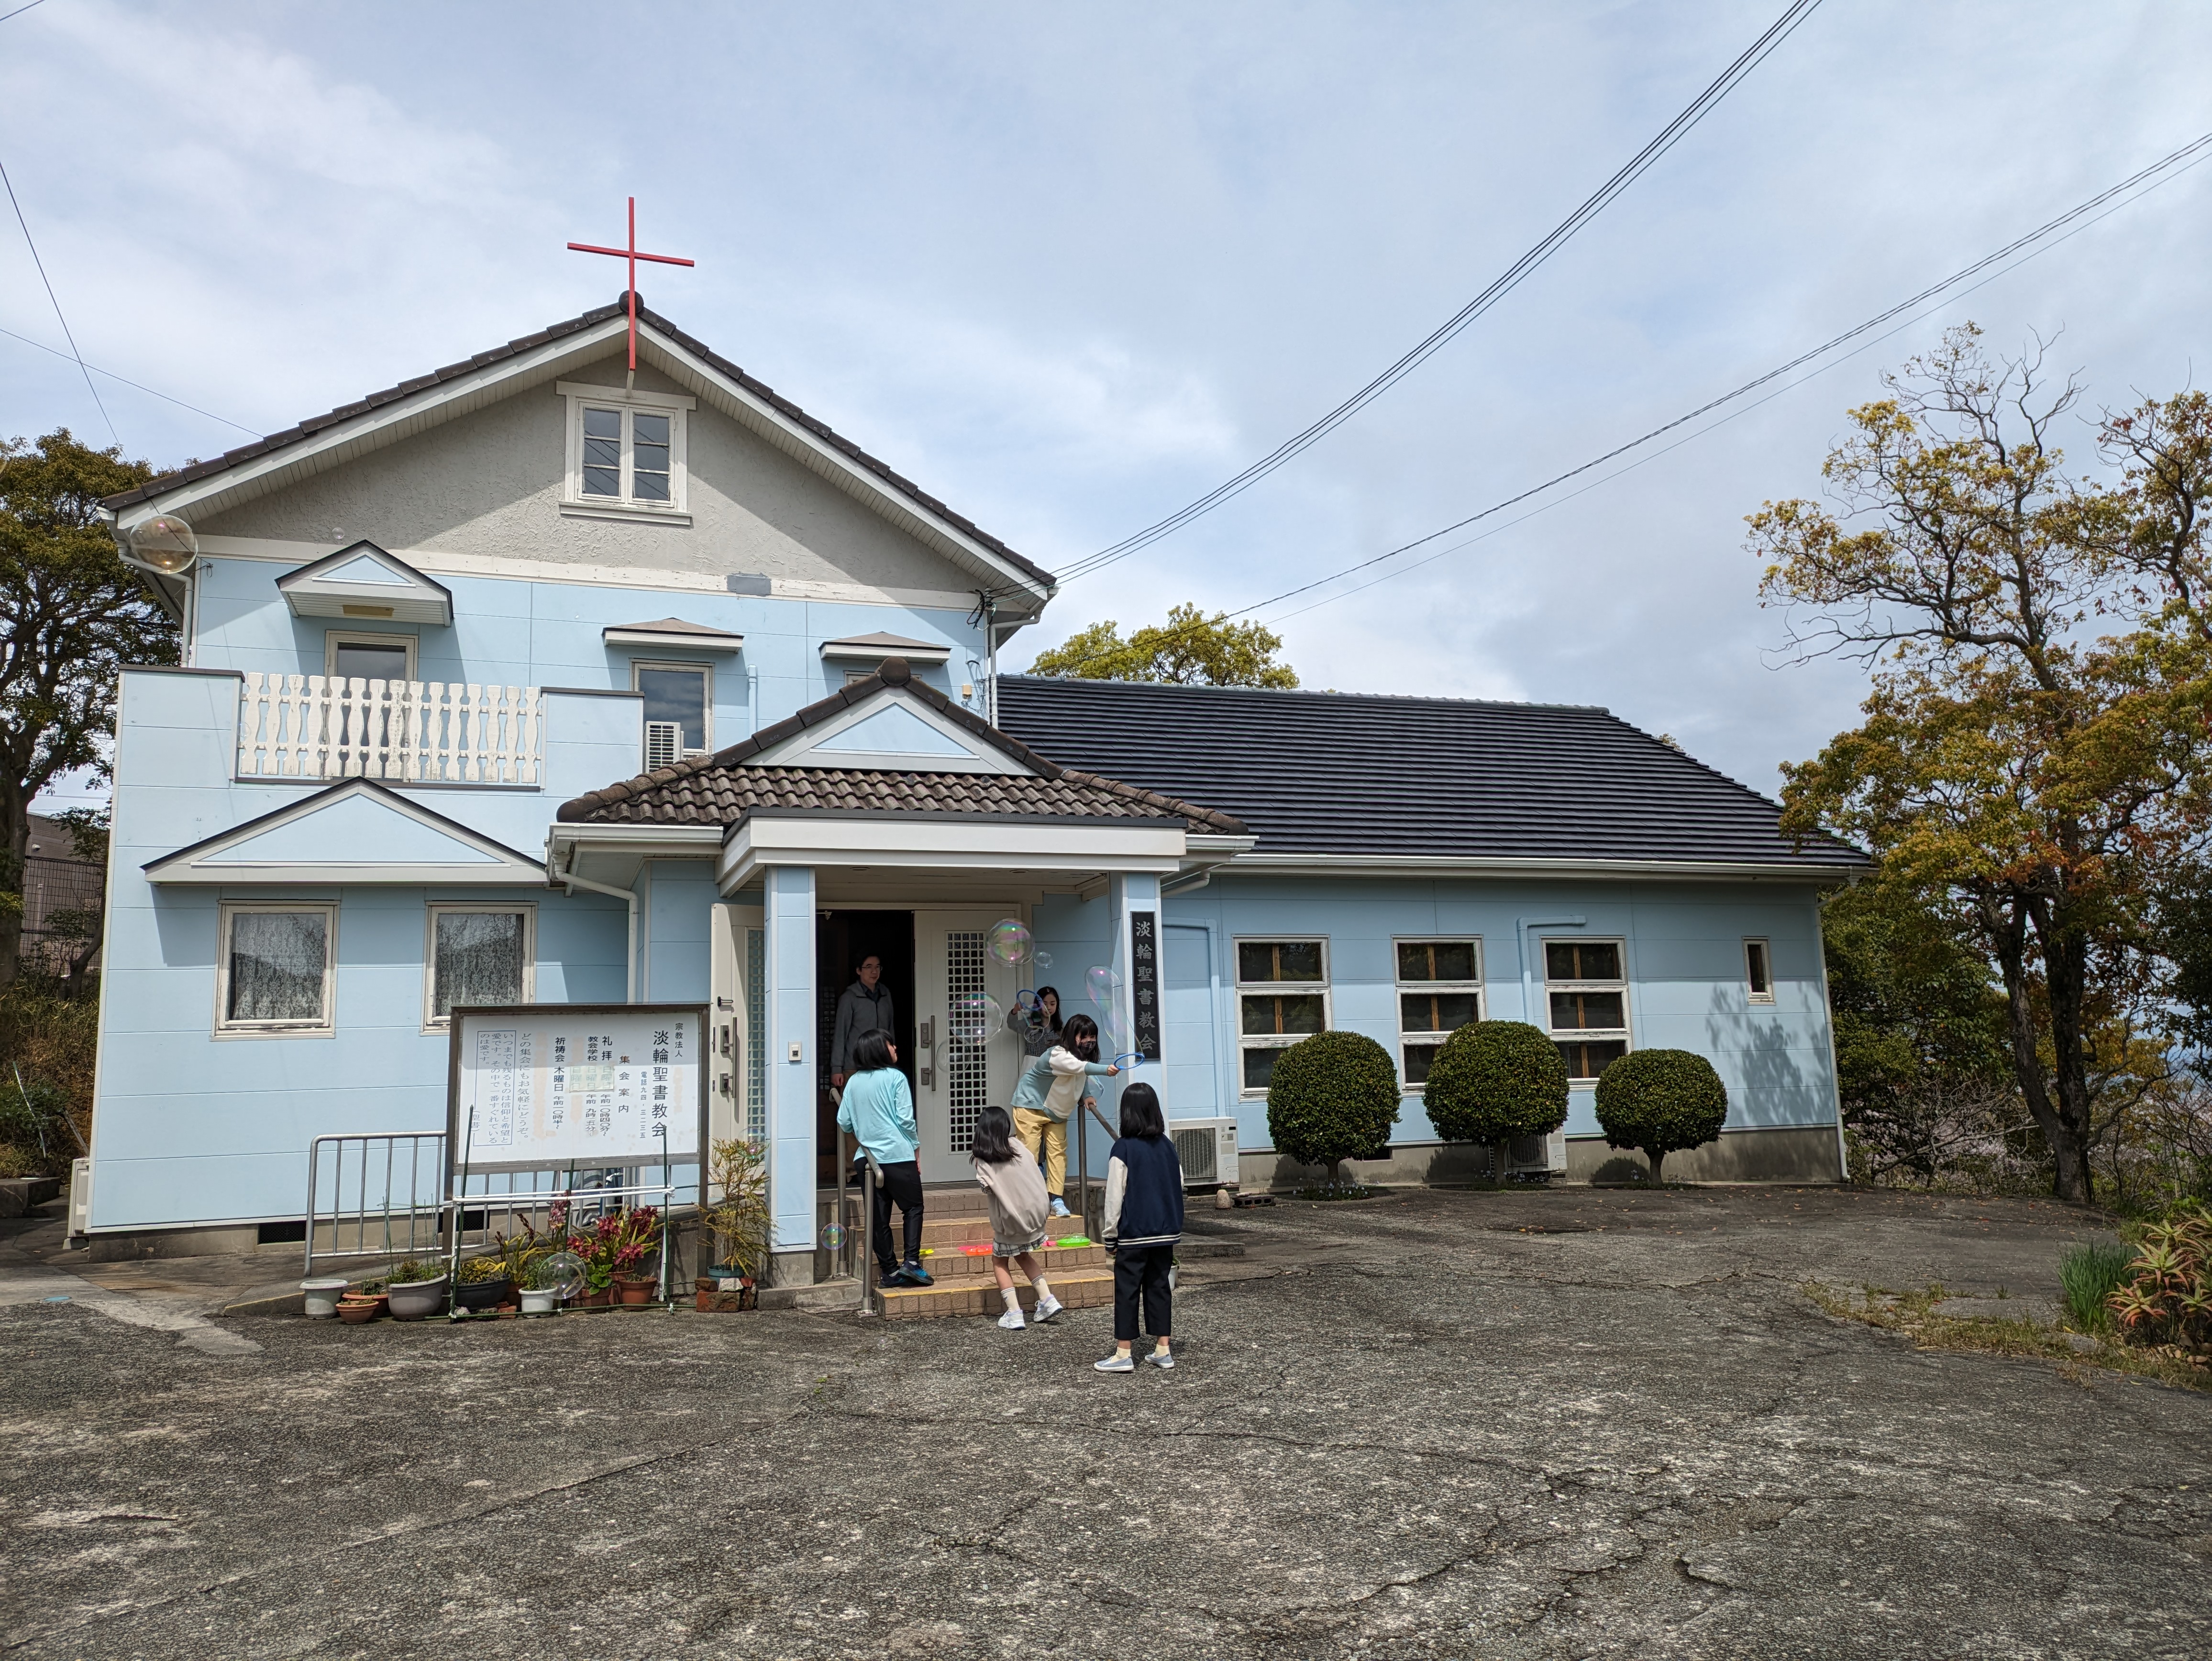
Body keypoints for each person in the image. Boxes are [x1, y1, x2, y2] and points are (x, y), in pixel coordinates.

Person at [834, 1029, 932, 1288]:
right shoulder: (895, 1078)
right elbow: (905, 1120)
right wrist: (916, 1147)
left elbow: (843, 1123)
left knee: (878, 1218)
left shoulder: (853, 1081)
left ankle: (889, 1272)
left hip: (867, 1159)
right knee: (913, 1208)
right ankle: (911, 1263)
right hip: (897, 1155)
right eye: (891, 1045)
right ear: (880, 1049)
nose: (896, 1049)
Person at [1095, 1082, 1182, 1373]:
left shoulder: (1123, 1148)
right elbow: (1178, 1185)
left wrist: (1110, 1236)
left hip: (1134, 1234)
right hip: (1165, 1231)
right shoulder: (1168, 1147)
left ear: (1127, 1113)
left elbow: (1114, 1198)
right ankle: (1163, 1349)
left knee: (1128, 1290)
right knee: (1160, 1287)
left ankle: (1123, 1353)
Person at [1010, 1012, 1118, 1218]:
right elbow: (1078, 1068)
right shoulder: (1057, 1054)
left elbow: (1080, 1075)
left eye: (1093, 1037)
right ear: (1071, 1035)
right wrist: (1106, 1070)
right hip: (1031, 1105)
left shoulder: (1080, 1059)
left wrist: (1086, 1096)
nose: (1089, 1042)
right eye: (1083, 1037)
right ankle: (1027, 1199)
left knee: (1058, 1156)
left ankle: (1055, 1199)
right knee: (1030, 1155)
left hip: (1057, 1112)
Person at [970, 1104, 1064, 1330]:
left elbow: (987, 1188)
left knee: (999, 1260)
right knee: (1023, 1255)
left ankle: (1014, 1313)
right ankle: (1047, 1299)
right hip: (1036, 1215)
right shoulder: (1017, 1145)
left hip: (1011, 1222)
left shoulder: (983, 1159)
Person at [830, 954, 896, 1089]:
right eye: (869, 967)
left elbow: (890, 1028)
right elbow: (840, 1034)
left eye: (878, 967)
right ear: (859, 971)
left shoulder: (885, 994)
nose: (874, 972)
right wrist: (837, 1068)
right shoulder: (849, 998)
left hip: (881, 1065)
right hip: (854, 1067)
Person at [1007, 985, 1065, 1058]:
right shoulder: (1030, 1024)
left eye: (1053, 1004)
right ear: (1038, 1004)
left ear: (1057, 1005)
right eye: (1044, 1004)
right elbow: (1012, 1025)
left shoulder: (1060, 1027)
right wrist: (1015, 1011)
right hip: (1032, 1067)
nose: (1049, 1008)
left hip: (1051, 1067)